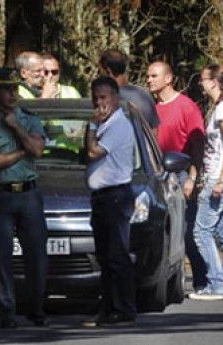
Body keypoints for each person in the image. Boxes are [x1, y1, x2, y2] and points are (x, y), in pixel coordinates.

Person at [0, 67, 50, 329]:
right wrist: (22, 152)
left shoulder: (29, 120)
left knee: (36, 255)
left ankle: (37, 309)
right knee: (2, 257)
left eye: (15, 89)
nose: (12, 94)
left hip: (28, 194)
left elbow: (38, 150)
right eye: (6, 89)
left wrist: (17, 128)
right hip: (1, 196)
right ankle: (7, 311)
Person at [146, 61, 208, 292]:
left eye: (154, 76)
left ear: (168, 78)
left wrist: (192, 177)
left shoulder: (186, 106)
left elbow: (198, 143)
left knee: (184, 231)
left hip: (180, 173)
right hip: (155, 174)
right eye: (148, 76)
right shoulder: (151, 109)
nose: (149, 80)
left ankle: (203, 278)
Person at [83, 76, 137, 327]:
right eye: (96, 99)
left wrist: (91, 126)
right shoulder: (104, 124)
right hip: (102, 197)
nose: (99, 104)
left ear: (116, 99)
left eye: (104, 98)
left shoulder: (118, 125)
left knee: (117, 255)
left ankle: (123, 308)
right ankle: (108, 307)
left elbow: (93, 152)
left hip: (116, 196)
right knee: (105, 257)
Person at [187, 64, 223, 301]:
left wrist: (220, 180)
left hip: (222, 178)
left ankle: (216, 284)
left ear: (213, 82)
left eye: (202, 80)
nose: (200, 84)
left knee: (201, 231)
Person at [99, 48, 160, 135]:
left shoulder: (106, 100)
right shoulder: (144, 95)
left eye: (101, 72)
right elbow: (154, 132)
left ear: (108, 71)